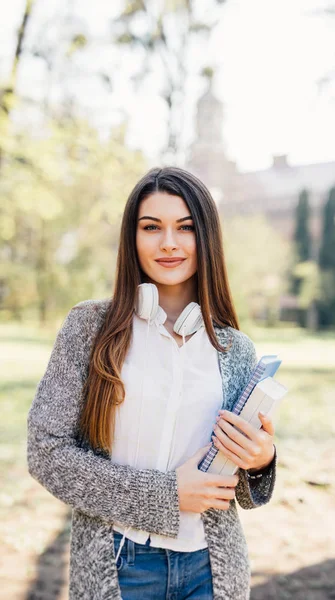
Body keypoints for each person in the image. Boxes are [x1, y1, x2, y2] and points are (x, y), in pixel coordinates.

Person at [27, 166, 277, 600]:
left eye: (185, 227)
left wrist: (259, 461)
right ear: (132, 237)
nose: (168, 242)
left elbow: (239, 491)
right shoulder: (90, 328)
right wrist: (165, 495)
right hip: (120, 566)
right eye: (151, 227)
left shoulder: (236, 349)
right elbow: (46, 453)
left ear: (207, 238)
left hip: (211, 570)